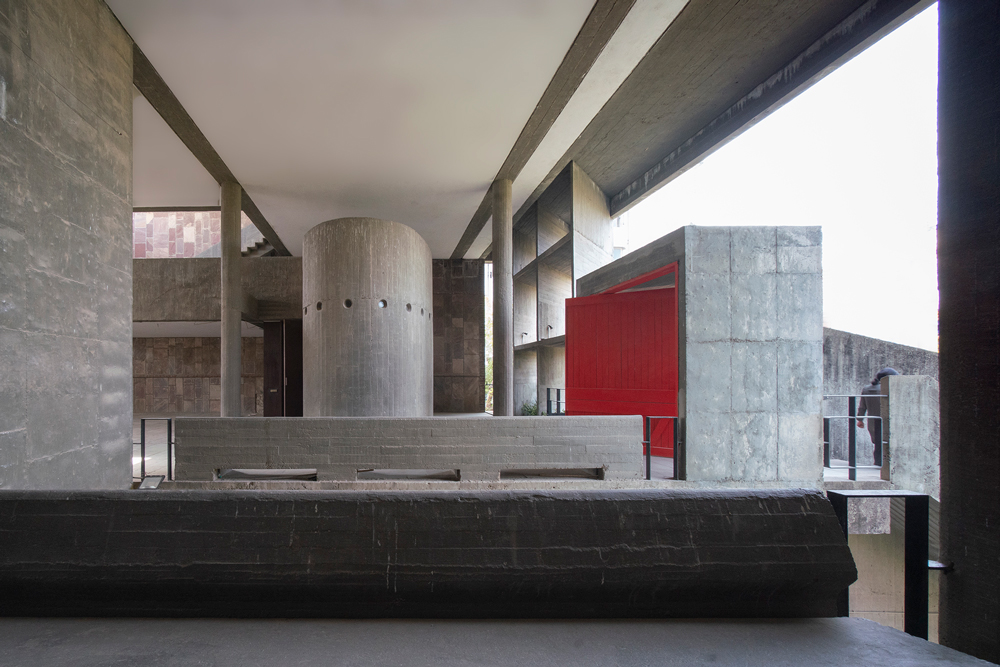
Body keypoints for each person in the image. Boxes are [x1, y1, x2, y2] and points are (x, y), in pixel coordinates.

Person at [856, 367, 898, 465]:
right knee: (888, 445)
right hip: (888, 422)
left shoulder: (866, 389)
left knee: (878, 445)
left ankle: (878, 464)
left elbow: (862, 406)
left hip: (873, 422)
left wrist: (860, 419)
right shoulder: (889, 389)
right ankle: (886, 466)